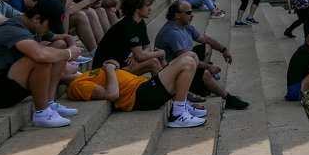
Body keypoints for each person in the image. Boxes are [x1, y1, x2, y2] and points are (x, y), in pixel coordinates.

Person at [0, 0, 84, 128]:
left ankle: (49, 102)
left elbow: (64, 38)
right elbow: (40, 55)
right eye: (49, 26)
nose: (49, 31)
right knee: (41, 58)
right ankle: (42, 113)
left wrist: (72, 47)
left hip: (9, 81)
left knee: (58, 50)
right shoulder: (13, 28)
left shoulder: (33, 25)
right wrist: (69, 53)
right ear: (37, 18)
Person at [154, 0, 250, 109]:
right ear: (177, 15)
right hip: (175, 72)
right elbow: (186, 59)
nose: (192, 15)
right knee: (205, 73)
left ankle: (200, 83)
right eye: (189, 13)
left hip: (186, 63)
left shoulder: (185, 26)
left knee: (207, 46)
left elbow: (205, 39)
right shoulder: (172, 33)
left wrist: (224, 50)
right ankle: (228, 99)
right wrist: (208, 67)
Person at [67, 56, 205, 128]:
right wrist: (109, 69)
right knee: (187, 62)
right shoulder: (77, 85)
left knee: (190, 55)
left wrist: (113, 66)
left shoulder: (84, 75)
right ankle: (178, 114)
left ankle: (182, 105)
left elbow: (115, 78)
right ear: (61, 74)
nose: (72, 61)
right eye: (67, 63)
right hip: (139, 96)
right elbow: (112, 94)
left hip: (143, 86)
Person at [94, 0, 167, 75]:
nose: (150, 9)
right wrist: (161, 52)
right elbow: (140, 55)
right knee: (153, 62)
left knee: (155, 59)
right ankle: (163, 87)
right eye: (147, 6)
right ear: (137, 8)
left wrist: (135, 56)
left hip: (120, 64)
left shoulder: (139, 22)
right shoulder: (129, 25)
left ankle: (167, 86)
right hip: (105, 69)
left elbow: (147, 47)